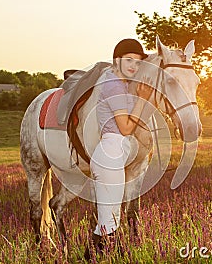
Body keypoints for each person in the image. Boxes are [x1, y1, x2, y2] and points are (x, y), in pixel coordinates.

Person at [85, 38, 153, 259]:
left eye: (138, 62)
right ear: (117, 60)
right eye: (129, 60)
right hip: (110, 153)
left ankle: (93, 256)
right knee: (110, 220)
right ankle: (107, 255)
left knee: (109, 218)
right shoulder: (113, 85)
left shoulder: (121, 83)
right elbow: (125, 128)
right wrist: (142, 100)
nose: (134, 66)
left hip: (115, 154)